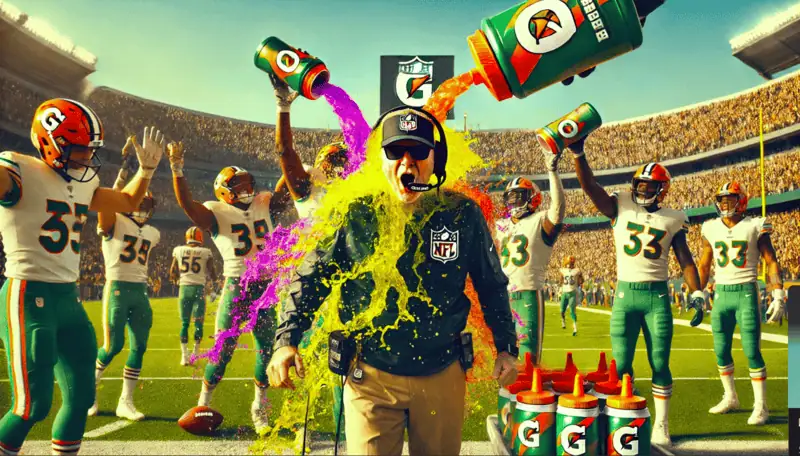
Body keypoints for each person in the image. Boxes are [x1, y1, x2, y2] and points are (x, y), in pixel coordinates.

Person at [267, 106, 519, 456]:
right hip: (369, 376)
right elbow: (311, 277)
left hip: (441, 372)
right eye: (395, 152)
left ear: (437, 157)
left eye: (418, 152)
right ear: (378, 159)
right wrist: (285, 340)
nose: (407, 164)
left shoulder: (462, 213)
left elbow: (491, 283)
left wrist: (506, 346)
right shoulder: (353, 211)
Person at [0, 99, 162, 455]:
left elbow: (126, 202)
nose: (86, 159)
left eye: (90, 151)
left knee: (80, 396)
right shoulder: (17, 167)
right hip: (28, 293)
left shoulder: (83, 182)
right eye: (78, 150)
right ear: (49, 142)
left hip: (69, 299)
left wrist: (146, 171)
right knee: (32, 406)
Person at [571, 138, 706, 448]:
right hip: (624, 296)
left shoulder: (673, 218)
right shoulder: (620, 203)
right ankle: (624, 420)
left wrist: (696, 292)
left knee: (660, 362)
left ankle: (661, 423)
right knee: (621, 366)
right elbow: (590, 187)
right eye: (639, 185)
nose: (641, 191)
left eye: (648, 187)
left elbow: (685, 260)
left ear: (662, 189)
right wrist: (579, 153)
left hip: (656, 298)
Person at [167, 141, 291, 434]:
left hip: (266, 286)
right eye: (239, 185)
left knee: (266, 350)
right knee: (222, 350)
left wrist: (288, 156)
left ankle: (259, 407)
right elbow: (187, 205)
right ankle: (203, 402)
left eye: (249, 183)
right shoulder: (215, 212)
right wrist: (177, 170)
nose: (247, 189)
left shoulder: (264, 202)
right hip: (238, 285)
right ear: (224, 190)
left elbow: (288, 186)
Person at [269, 74, 351, 444]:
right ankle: (303, 426)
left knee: (344, 369)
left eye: (344, 159)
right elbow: (285, 153)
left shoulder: (358, 193)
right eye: (333, 160)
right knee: (305, 359)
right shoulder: (307, 186)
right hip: (315, 286)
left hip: (350, 286)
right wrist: (283, 107)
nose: (339, 166)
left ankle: (347, 435)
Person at [697, 181, 785, 425]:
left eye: (730, 199)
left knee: (751, 350)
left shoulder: (755, 225)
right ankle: (731, 396)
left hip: (746, 291)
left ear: (742, 201)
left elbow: (771, 260)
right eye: (722, 200)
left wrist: (777, 292)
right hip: (721, 294)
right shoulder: (710, 227)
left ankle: (761, 406)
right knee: (721, 350)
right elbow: (704, 265)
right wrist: (697, 292)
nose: (725, 204)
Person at [89, 133, 162, 421]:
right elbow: (107, 205)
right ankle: (89, 394)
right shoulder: (115, 220)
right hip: (117, 287)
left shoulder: (153, 233)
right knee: (112, 346)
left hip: (140, 291)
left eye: (147, 205)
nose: (143, 207)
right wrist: (121, 178)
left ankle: (126, 401)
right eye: (140, 203)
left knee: (139, 346)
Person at [495, 153, 565, 365]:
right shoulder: (500, 225)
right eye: (511, 196)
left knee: (527, 358)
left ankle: (524, 398)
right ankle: (506, 397)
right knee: (503, 357)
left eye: (519, 196)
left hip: (527, 296)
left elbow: (558, 208)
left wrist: (552, 171)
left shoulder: (540, 220)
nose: (514, 201)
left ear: (532, 198)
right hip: (502, 298)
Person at [169, 226, 216, 366]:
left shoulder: (178, 250)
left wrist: (177, 280)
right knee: (198, 324)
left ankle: (184, 356)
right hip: (198, 290)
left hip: (184, 289)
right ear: (200, 238)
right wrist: (213, 283)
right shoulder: (206, 252)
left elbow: (173, 270)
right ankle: (195, 353)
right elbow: (211, 271)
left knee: (184, 323)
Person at [559, 256, 582, 336]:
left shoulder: (577, 270)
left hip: (572, 293)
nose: (569, 263)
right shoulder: (563, 270)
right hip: (565, 292)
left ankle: (575, 327)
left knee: (572, 311)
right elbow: (561, 279)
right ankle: (563, 320)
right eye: (569, 262)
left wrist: (579, 282)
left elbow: (581, 279)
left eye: (570, 262)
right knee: (562, 310)